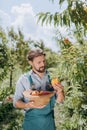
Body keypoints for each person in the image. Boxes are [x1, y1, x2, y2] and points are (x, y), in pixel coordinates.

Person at [13, 48, 65, 130]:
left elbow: (60, 101)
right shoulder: (24, 80)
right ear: (31, 62)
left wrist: (60, 91)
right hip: (31, 123)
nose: (43, 64)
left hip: (49, 123)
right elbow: (16, 102)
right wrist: (27, 105)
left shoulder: (52, 77)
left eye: (44, 61)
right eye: (39, 62)